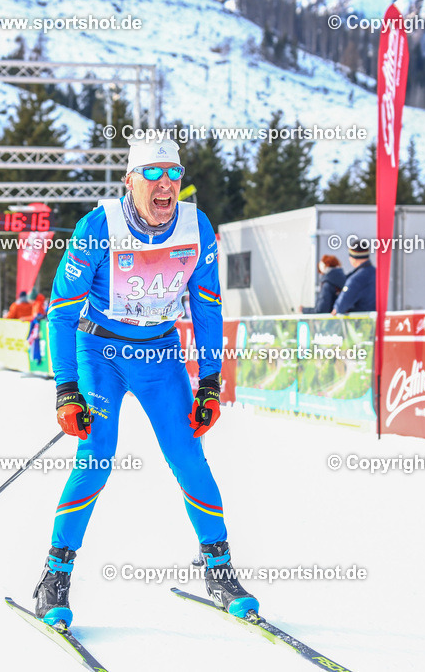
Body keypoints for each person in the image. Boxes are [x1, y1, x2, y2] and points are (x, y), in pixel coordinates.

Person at [33, 138, 257, 628]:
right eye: (152, 173)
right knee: (96, 458)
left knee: (187, 455)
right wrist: (66, 388)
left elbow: (207, 307)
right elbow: (62, 311)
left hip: (159, 355)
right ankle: (55, 576)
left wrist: (211, 382)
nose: (165, 184)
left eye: (174, 173)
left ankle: (220, 572)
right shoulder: (99, 227)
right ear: (129, 181)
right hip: (101, 353)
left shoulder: (196, 227)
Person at [332, 240, 376, 314]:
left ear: (353, 258)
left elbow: (340, 307)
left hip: (361, 320)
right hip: (378, 319)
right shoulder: (377, 274)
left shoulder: (356, 280)